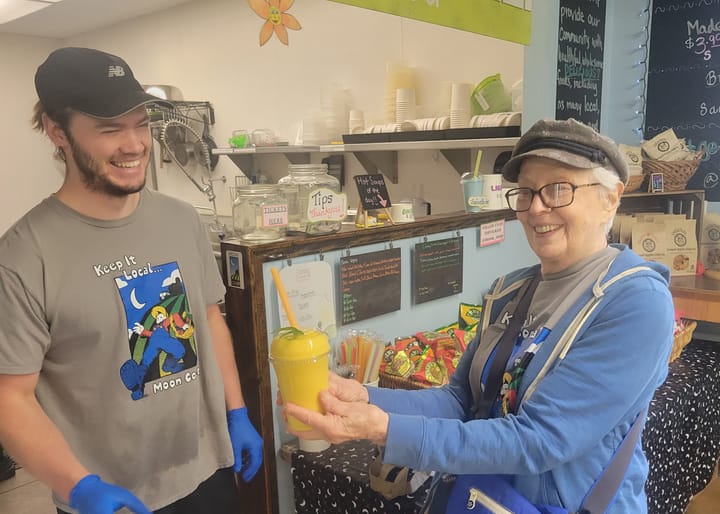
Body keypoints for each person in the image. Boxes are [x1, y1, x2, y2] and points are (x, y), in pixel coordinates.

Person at [284, 118, 675, 513]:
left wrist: (384, 429)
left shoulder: (635, 302)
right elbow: (459, 402)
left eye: (559, 189)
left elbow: (538, 440)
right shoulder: (511, 292)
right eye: (526, 191)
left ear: (611, 198)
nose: (537, 207)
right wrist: (365, 396)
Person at [0, 47, 263, 514]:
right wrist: (79, 486)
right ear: (56, 131)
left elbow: (208, 318)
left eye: (141, 124)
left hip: (208, 469)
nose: (135, 144)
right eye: (109, 129)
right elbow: (11, 399)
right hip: (109, 494)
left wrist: (236, 411)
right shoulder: (23, 256)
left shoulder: (183, 221)